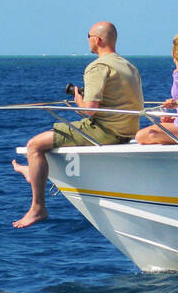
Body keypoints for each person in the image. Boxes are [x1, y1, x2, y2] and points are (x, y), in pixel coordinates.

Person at [11, 21, 142, 228]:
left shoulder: (98, 66)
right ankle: (33, 171)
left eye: (88, 36)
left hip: (104, 132)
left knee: (34, 145)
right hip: (126, 131)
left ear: (97, 40)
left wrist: (78, 99)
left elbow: (89, 110)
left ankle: (38, 208)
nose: (87, 40)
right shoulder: (128, 66)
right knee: (41, 147)